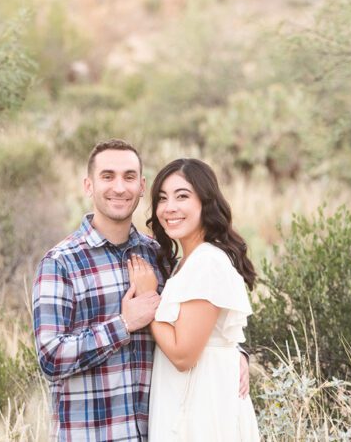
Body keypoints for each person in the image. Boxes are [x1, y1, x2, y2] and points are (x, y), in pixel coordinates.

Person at [32, 140, 248, 441]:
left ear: (141, 186)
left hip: (159, 430)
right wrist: (123, 325)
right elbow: (51, 357)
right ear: (88, 185)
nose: (119, 187)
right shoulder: (61, 263)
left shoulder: (158, 256)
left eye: (129, 177)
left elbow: (193, 322)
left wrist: (233, 353)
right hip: (95, 434)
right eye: (107, 176)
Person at [129, 157, 260, 441]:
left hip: (204, 408)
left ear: (205, 202)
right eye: (162, 198)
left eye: (182, 196)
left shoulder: (208, 262)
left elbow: (183, 354)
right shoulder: (185, 262)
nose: (169, 208)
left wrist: (148, 298)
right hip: (189, 399)